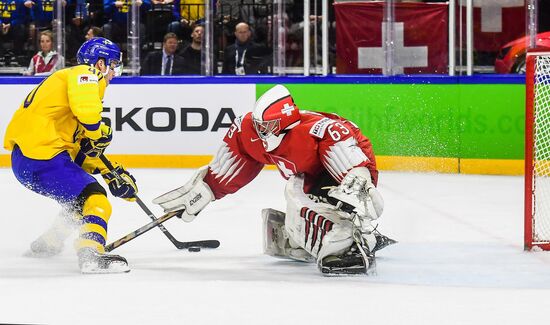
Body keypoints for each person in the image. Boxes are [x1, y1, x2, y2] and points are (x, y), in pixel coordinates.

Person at [152, 85, 395, 275]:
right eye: (259, 125)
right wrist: (205, 190)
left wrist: (357, 183)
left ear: (286, 123)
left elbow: (352, 164)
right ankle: (321, 236)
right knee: (293, 213)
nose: (261, 131)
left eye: (268, 125)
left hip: (342, 168)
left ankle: (351, 243)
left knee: (317, 211)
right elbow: (232, 166)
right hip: (308, 176)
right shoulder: (247, 130)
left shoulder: (322, 130)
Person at [3, 37, 138, 274]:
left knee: (78, 200)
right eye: (113, 64)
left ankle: (50, 242)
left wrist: (111, 171)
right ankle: (91, 254)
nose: (115, 72)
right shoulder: (84, 74)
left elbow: (80, 155)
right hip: (43, 155)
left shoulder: (64, 100)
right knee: (96, 200)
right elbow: (87, 110)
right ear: (99, 63)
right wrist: (96, 130)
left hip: (27, 161)